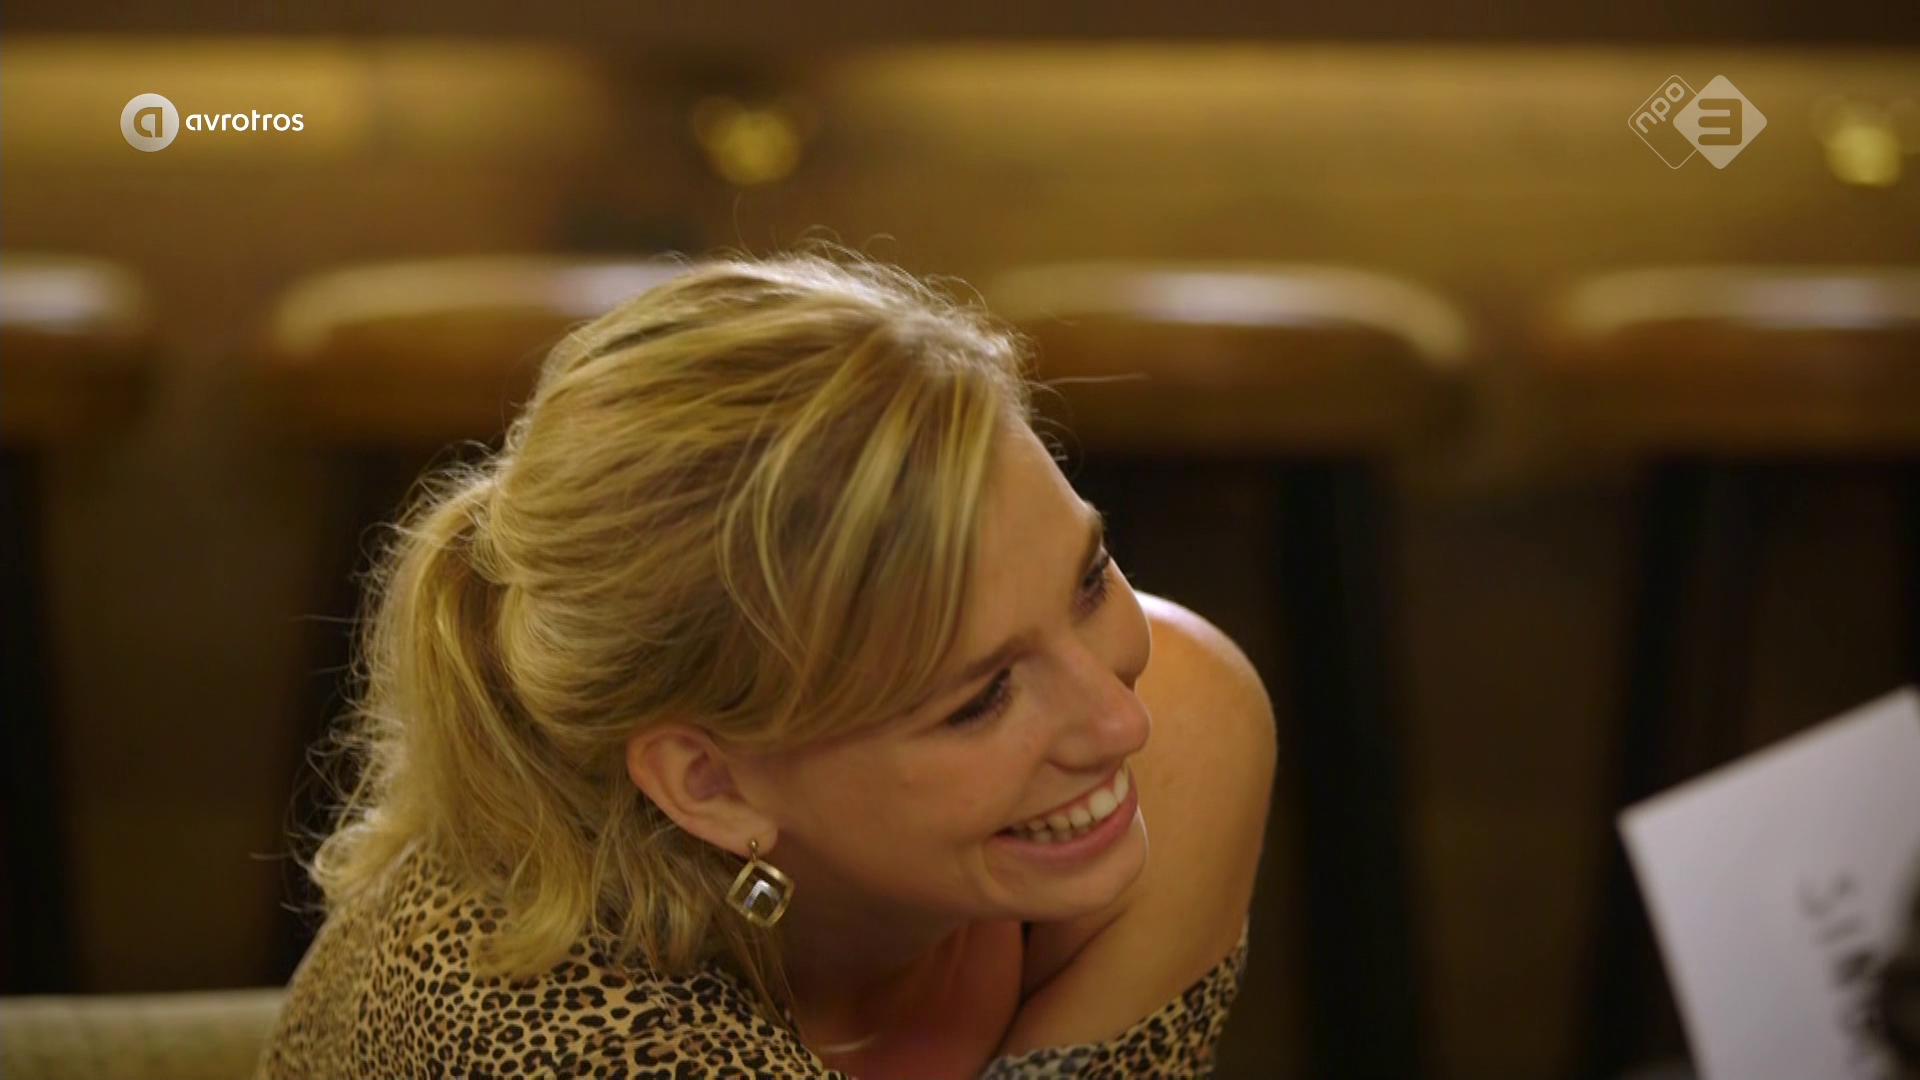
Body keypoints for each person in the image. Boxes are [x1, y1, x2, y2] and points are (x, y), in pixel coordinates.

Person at [257, 247, 1277, 1078]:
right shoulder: (549, 1028)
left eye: (1089, 580)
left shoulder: (1181, 724)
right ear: (711, 783)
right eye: (981, 699)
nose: (1121, 722)